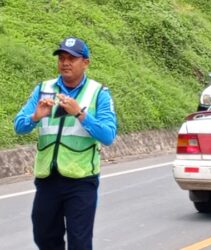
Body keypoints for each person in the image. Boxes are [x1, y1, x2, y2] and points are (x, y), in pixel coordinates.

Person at [14, 36, 117, 250]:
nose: (65, 62)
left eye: (72, 58)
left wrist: (80, 113)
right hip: (48, 178)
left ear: (85, 62)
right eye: (62, 57)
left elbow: (108, 135)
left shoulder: (99, 93)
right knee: (44, 237)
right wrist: (35, 116)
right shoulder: (43, 89)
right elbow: (19, 126)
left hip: (81, 180)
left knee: (79, 242)